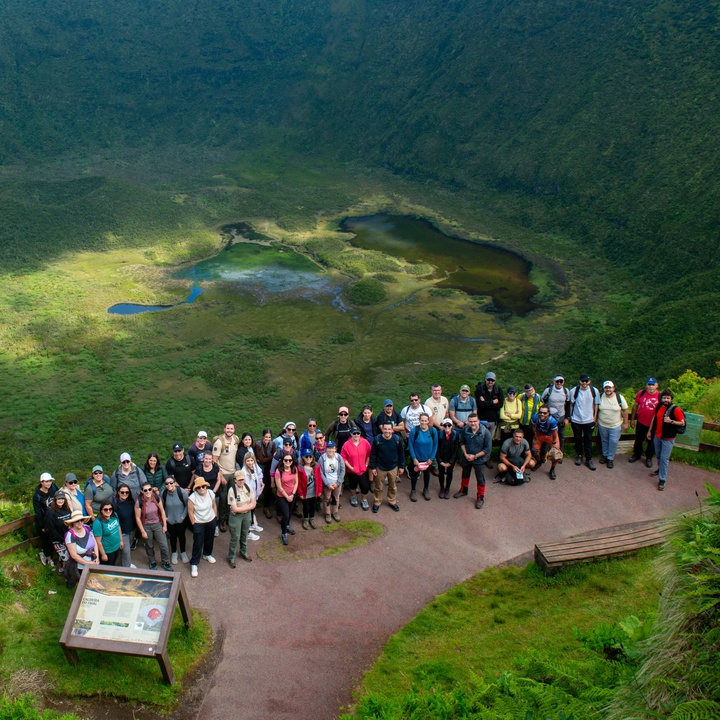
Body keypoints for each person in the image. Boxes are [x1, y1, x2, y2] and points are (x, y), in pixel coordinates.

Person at [648, 389, 686, 491]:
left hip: (668, 438)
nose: (666, 400)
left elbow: (682, 423)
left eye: (668, 398)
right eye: (664, 398)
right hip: (658, 435)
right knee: (659, 455)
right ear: (661, 398)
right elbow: (655, 418)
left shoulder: (676, 410)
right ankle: (660, 470)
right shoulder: (659, 406)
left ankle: (662, 479)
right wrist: (650, 431)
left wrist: (671, 421)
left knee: (664, 458)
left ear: (671, 399)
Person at [454, 413, 492, 508]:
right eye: (470, 422)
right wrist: (466, 454)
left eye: (475, 421)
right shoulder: (465, 429)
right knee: (465, 474)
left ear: (478, 421)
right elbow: (462, 442)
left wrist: (474, 457)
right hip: (467, 458)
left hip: (479, 460)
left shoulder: (486, 433)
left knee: (480, 479)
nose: (473, 423)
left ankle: (480, 498)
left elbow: (487, 449)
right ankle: (463, 490)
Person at [135, 483, 172, 571]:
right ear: (142, 491)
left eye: (149, 489)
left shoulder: (156, 497)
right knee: (149, 545)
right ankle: (152, 562)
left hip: (157, 524)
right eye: (145, 490)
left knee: (164, 546)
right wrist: (142, 531)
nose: (148, 492)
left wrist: (164, 525)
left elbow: (162, 511)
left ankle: (165, 562)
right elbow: (137, 518)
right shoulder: (139, 502)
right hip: (146, 526)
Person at [369, 420, 404, 513]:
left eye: (389, 429)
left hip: (393, 467)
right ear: (382, 429)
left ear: (392, 430)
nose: (387, 431)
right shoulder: (377, 440)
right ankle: (377, 502)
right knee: (378, 487)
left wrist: (402, 466)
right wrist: (372, 467)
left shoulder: (397, 440)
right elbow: (373, 454)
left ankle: (392, 501)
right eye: (385, 429)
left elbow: (401, 453)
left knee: (393, 486)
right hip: (380, 467)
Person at [187, 478, 218, 577]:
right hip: (199, 522)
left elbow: (214, 506)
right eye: (198, 487)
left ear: (206, 486)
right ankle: (194, 563)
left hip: (210, 520)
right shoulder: (192, 497)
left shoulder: (210, 493)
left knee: (209, 539)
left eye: (203, 486)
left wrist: (214, 517)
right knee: (198, 542)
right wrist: (194, 523)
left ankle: (207, 554)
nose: (201, 488)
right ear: (196, 489)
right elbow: (190, 512)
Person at [212, 422, 240, 533]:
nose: (229, 430)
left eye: (231, 428)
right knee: (223, 498)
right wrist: (221, 475)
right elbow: (214, 460)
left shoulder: (236, 439)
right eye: (228, 428)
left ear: (234, 430)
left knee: (232, 495)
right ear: (224, 429)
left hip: (233, 473)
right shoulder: (219, 442)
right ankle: (222, 520)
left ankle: (230, 516)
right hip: (224, 474)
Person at [569, 373, 600, 470]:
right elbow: (571, 404)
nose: (584, 383)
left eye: (586, 381)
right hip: (576, 420)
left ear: (589, 382)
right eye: (583, 381)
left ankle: (588, 459)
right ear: (580, 381)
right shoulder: (574, 391)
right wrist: (570, 416)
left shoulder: (594, 391)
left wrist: (594, 418)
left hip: (589, 420)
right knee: (577, 439)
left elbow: (596, 405)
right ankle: (579, 455)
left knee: (588, 440)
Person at [227, 469, 256, 567]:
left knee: (245, 534)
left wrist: (242, 508)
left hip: (246, 515)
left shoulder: (248, 487)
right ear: (235, 480)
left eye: (243, 479)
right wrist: (248, 507)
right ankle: (231, 557)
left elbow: (253, 503)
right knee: (235, 536)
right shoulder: (232, 490)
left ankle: (243, 552)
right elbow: (234, 508)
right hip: (236, 517)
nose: (241, 482)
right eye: (239, 480)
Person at [597, 381, 629, 468]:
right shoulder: (600, 396)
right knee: (604, 440)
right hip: (602, 424)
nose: (608, 389)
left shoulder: (619, 397)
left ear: (613, 388)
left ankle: (610, 458)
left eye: (610, 387)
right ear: (603, 389)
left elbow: (625, 410)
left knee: (613, 441)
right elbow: (595, 408)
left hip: (615, 425)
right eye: (606, 388)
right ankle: (605, 455)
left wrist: (626, 423)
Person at [63, 510, 98, 589]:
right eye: (76, 521)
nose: (79, 523)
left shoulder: (87, 528)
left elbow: (95, 543)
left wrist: (97, 558)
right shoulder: (70, 535)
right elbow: (74, 555)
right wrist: (87, 563)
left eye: (81, 520)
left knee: (94, 585)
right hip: (79, 566)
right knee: (85, 586)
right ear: (73, 523)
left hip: (92, 561)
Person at [629, 378, 660, 467]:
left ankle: (649, 457)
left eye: (652, 385)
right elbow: (635, 406)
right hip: (641, 421)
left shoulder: (660, 396)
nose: (650, 387)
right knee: (638, 439)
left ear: (657, 385)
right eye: (649, 384)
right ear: (646, 385)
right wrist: (632, 419)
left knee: (652, 442)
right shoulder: (641, 393)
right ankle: (637, 454)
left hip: (654, 423)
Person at [407, 413, 438, 501]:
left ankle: (426, 489)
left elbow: (435, 445)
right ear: (419, 421)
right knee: (414, 475)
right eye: (422, 420)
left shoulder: (433, 431)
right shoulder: (414, 431)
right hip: (417, 459)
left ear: (428, 421)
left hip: (427, 459)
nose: (424, 422)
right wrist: (414, 458)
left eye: (425, 420)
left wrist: (431, 458)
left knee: (427, 474)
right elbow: (410, 445)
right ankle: (413, 490)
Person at [475, 372, 503, 468]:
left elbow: (500, 405)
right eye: (488, 380)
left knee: (489, 440)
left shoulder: (498, 390)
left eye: (492, 380)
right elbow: (479, 404)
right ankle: (479, 457)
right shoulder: (479, 389)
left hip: (493, 420)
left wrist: (486, 402)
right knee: (480, 439)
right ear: (485, 379)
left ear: (495, 381)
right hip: (482, 420)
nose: (490, 381)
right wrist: (492, 402)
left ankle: (487, 458)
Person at [341, 427, 372, 510]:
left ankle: (364, 499)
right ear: (351, 434)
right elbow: (343, 458)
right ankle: (353, 497)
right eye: (354, 433)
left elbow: (369, 454)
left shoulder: (365, 442)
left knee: (365, 486)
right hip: (351, 470)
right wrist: (351, 467)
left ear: (360, 434)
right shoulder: (346, 445)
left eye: (358, 433)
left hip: (363, 470)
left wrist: (366, 464)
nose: (356, 435)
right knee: (353, 485)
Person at [162, 476, 190, 564]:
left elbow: (187, 505)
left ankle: (183, 552)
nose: (169, 485)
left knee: (181, 536)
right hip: (170, 521)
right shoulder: (164, 493)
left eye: (171, 482)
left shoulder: (181, 491)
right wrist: (165, 518)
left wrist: (183, 516)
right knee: (172, 537)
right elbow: (161, 507)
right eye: (167, 483)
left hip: (180, 520)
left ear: (174, 483)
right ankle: (174, 553)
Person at [194, 451, 222, 537]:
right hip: (203, 493)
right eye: (206, 458)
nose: (208, 461)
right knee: (204, 510)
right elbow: (198, 482)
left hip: (214, 492)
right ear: (203, 459)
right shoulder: (199, 468)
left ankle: (215, 525)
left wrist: (213, 492)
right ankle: (204, 527)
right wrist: (204, 493)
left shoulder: (215, 467)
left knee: (214, 509)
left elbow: (219, 480)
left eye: (209, 459)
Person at [531, 406, 563, 480]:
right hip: (539, 434)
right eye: (540, 412)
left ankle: (552, 469)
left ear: (548, 413)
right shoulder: (535, 417)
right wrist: (535, 436)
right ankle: (539, 462)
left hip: (551, 436)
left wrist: (554, 442)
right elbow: (533, 426)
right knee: (534, 450)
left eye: (544, 413)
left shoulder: (552, 421)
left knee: (556, 454)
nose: (542, 414)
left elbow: (554, 432)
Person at [541, 376, 571, 453]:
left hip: (561, 416)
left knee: (561, 435)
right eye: (557, 381)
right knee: (547, 434)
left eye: (561, 381)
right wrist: (543, 415)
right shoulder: (548, 390)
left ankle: (559, 453)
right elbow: (542, 401)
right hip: (549, 417)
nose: (559, 383)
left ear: (563, 382)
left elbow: (568, 405)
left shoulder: (566, 391)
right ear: (554, 381)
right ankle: (544, 453)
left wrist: (567, 418)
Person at [34, 472, 58, 567]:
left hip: (54, 517)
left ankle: (57, 557)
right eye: (47, 481)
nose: (49, 483)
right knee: (46, 540)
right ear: (42, 482)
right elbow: (38, 512)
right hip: (44, 520)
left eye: (50, 481)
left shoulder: (53, 488)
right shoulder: (37, 496)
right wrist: (42, 526)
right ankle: (48, 558)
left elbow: (59, 496)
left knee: (54, 538)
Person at [318, 441, 346, 524]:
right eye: (329, 448)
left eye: (332, 448)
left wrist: (338, 482)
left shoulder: (339, 457)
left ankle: (335, 512)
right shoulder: (322, 458)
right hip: (327, 483)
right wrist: (327, 483)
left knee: (336, 498)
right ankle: (327, 513)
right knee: (327, 498)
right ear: (326, 449)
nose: (330, 450)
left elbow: (342, 470)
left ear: (335, 449)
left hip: (337, 482)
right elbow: (320, 472)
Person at [275, 454, 299, 545]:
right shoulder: (278, 471)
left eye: (290, 460)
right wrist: (287, 496)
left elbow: (296, 482)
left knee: (289, 513)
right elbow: (279, 487)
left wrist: (292, 494)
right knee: (285, 514)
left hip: (292, 494)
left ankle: (287, 526)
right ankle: (283, 533)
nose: (288, 462)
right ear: (283, 461)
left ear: (292, 461)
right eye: (286, 460)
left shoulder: (294, 469)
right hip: (282, 496)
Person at [45, 491, 71, 572]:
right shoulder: (51, 512)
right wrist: (62, 540)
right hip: (58, 540)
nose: (61, 500)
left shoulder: (66, 509)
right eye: (59, 499)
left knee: (69, 556)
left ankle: (61, 569)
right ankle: (67, 574)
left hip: (68, 537)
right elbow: (51, 529)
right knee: (66, 558)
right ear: (55, 500)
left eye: (62, 498)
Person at [255, 429, 276, 520]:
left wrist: (265, 459)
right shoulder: (258, 444)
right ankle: (267, 504)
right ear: (262, 436)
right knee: (264, 487)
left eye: (269, 437)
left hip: (270, 468)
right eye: (266, 437)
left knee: (268, 488)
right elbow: (261, 459)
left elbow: (264, 459)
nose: (267, 439)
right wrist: (272, 456)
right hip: (261, 469)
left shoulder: (272, 444)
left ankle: (267, 505)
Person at [436, 418, 460, 498]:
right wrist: (439, 461)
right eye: (445, 425)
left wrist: (451, 461)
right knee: (441, 473)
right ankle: (442, 488)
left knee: (450, 473)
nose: (447, 427)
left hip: (450, 458)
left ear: (452, 426)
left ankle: (447, 488)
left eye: (449, 425)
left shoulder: (455, 435)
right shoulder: (439, 434)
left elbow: (456, 449)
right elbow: (437, 448)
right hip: (442, 457)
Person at [114, 484, 137, 568]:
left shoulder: (131, 502)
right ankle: (127, 568)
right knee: (126, 551)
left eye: (127, 492)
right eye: (122, 492)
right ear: (118, 493)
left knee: (127, 548)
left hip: (132, 530)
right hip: (122, 532)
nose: (124, 494)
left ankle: (126, 563)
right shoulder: (115, 505)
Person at [242, 454, 265, 538]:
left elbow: (259, 475)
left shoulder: (255, 467)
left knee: (252, 510)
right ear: (245, 461)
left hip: (255, 493)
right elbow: (243, 485)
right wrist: (248, 496)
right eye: (248, 461)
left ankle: (252, 525)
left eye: (251, 460)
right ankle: (247, 533)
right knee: (247, 513)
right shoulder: (243, 472)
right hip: (248, 496)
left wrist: (261, 482)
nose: (250, 462)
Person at [93, 502, 122, 566]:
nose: (108, 511)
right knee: (107, 567)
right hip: (108, 551)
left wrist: (121, 541)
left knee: (113, 564)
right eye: (105, 509)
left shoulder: (114, 515)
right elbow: (98, 541)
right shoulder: (97, 523)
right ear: (101, 511)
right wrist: (103, 554)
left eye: (110, 509)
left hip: (116, 547)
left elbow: (118, 527)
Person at [297, 450, 318, 528]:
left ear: (312, 457)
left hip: (314, 491)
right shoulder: (300, 468)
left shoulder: (316, 466)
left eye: (310, 456)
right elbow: (298, 482)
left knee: (313, 506)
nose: (308, 458)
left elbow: (319, 479)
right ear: (303, 457)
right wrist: (300, 493)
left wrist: (319, 490)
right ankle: (306, 519)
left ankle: (312, 518)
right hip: (305, 492)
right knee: (306, 506)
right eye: (306, 457)